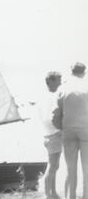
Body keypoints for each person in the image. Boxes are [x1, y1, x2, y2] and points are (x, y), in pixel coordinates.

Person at [52, 62, 88, 199]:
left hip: (68, 131)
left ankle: (70, 197)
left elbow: (55, 115)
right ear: (84, 72)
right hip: (86, 131)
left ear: (71, 72)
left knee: (71, 169)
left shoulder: (63, 87)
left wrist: (62, 128)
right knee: (87, 169)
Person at [38, 71, 62, 199]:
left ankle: (53, 193)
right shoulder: (50, 97)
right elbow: (50, 118)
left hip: (48, 134)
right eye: (58, 79)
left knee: (54, 165)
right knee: (52, 166)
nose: (60, 82)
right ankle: (48, 194)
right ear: (51, 81)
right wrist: (59, 129)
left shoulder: (46, 96)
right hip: (53, 134)